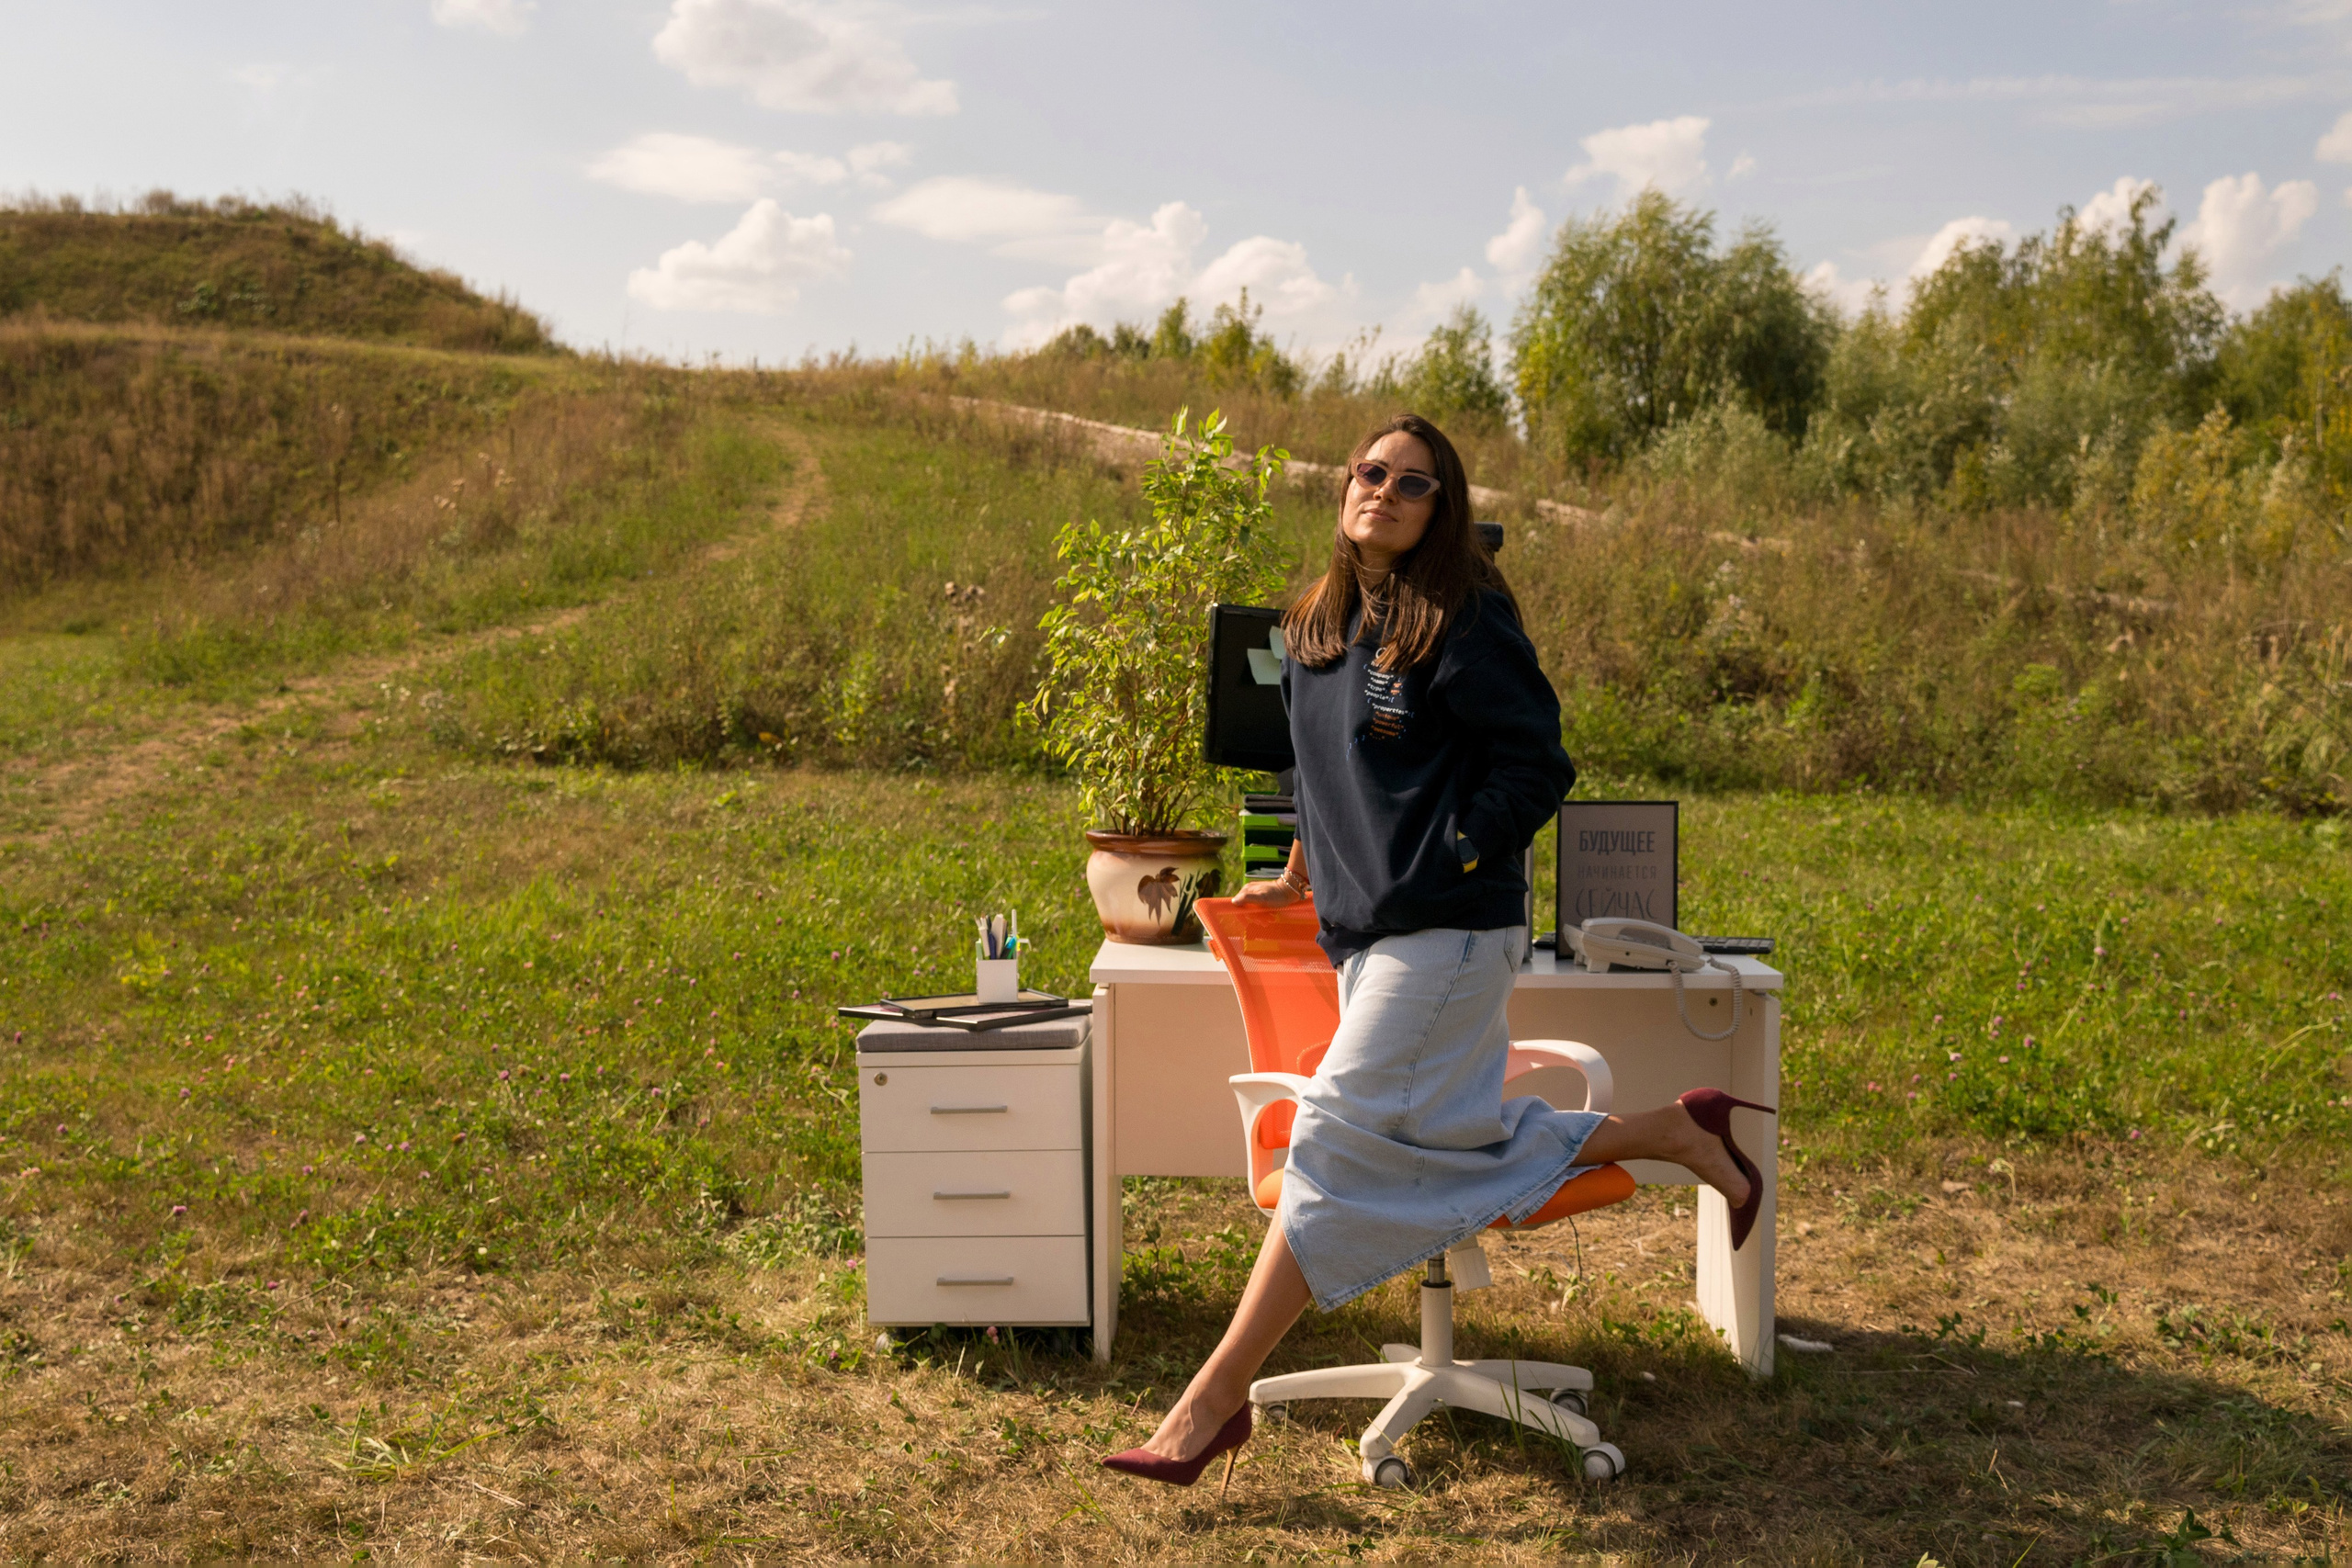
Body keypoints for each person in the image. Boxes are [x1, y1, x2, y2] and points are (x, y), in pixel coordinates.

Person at [1101, 412, 1770, 1487]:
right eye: (1371, 472)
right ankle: (1675, 1131)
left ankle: (1208, 1405)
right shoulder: (1315, 622)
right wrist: (1302, 871)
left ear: (1440, 509)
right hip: (1367, 936)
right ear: (1343, 485)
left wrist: (1456, 848)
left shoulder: (1463, 619)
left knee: (1329, 1138)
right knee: (1449, 1138)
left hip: (1451, 930)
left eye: (1413, 485)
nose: (1385, 492)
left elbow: (1536, 764)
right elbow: (1321, 772)